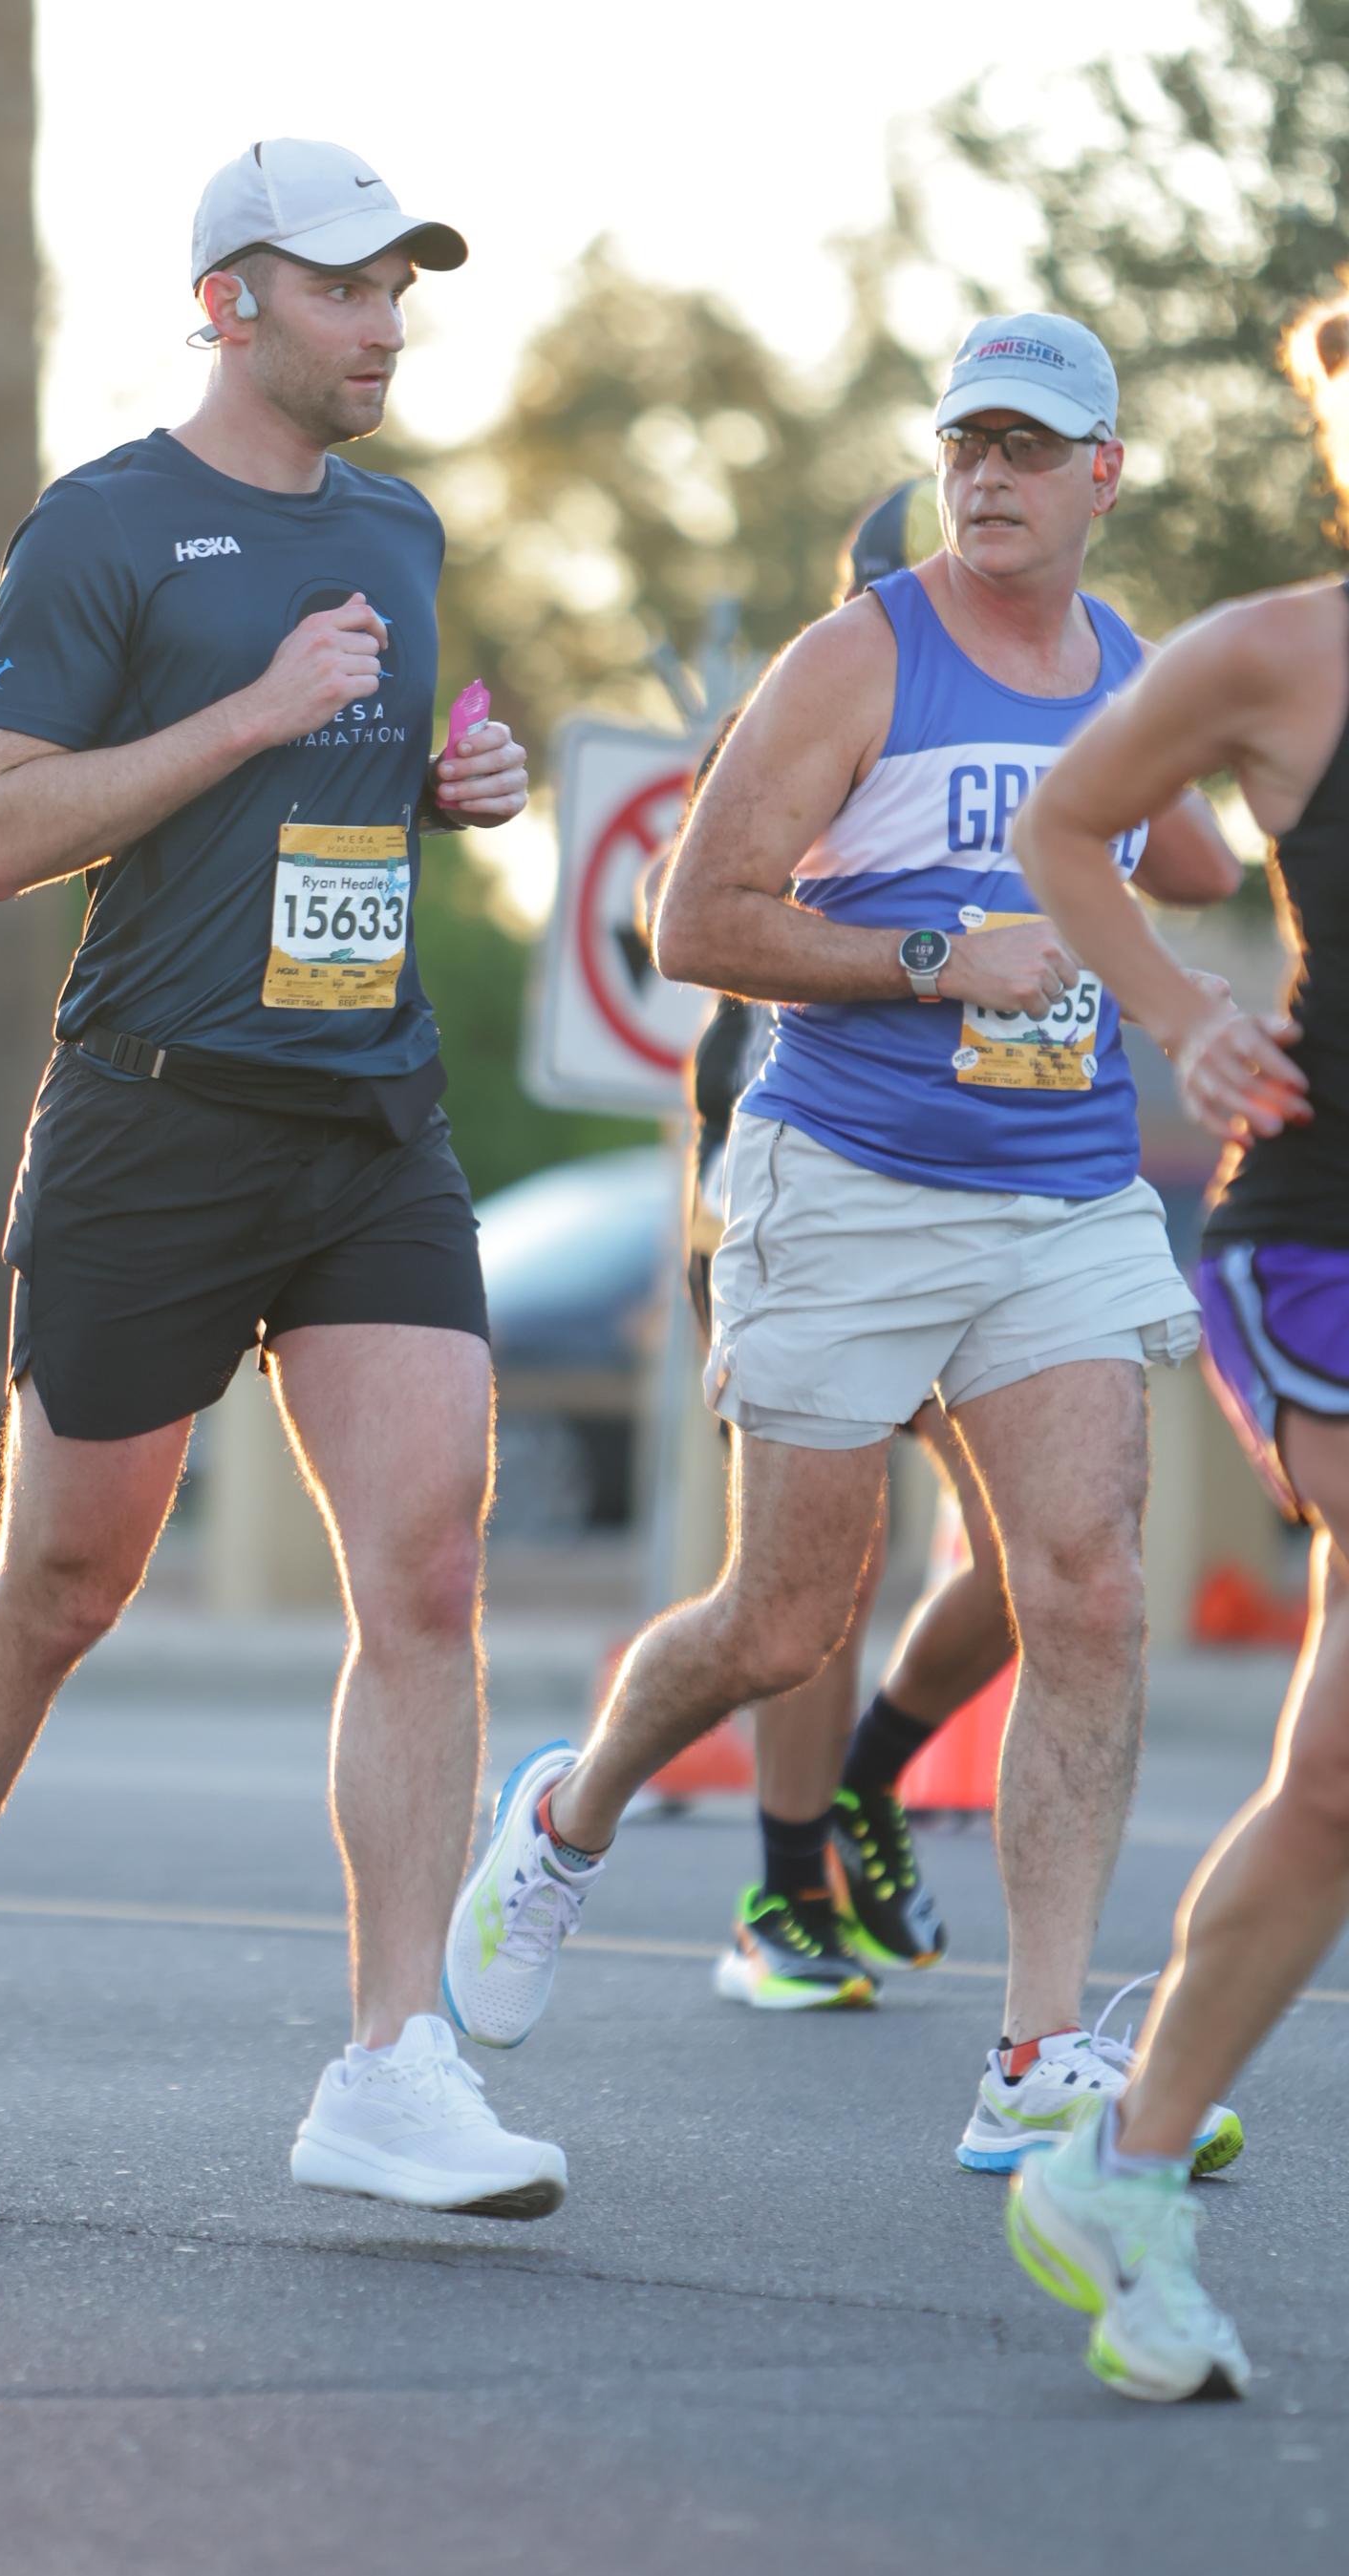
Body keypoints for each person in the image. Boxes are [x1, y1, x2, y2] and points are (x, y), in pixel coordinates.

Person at [0, 138, 566, 2224]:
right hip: (155, 1118)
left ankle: (390, 2066)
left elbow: (339, 788)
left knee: (426, 1575)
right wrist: (248, 715)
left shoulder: (400, 527)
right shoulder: (104, 526)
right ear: (231, 301)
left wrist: (447, 789)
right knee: (64, 1582)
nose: (383, 326)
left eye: (398, 289)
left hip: (370, 1114)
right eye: (343, 289)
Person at [443, 312, 1246, 2185]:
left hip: (1059, 1195)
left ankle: (1036, 2056)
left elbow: (1191, 855)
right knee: (783, 1620)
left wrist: (1190, 865)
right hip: (851, 1178)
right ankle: (565, 1817)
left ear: (1103, 475)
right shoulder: (857, 657)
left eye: (1027, 448)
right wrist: (935, 953)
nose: (987, 475)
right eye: (965, 442)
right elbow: (690, 921)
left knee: (1090, 1589)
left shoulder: (1130, 671)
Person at [1001, 287, 1349, 2402]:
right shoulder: (1275, 656)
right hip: (1322, 1244)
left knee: (1332, 1784)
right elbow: (1064, 824)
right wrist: (1179, 1014)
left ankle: (1120, 2173)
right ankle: (1117, 2162)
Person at [653, 483, 1017, 2012]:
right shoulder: (813, 708)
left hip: (989, 1193)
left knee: (1047, 1551)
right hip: (797, 1187)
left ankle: (873, 1776)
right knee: (818, 1575)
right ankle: (787, 1892)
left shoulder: (1055, 711)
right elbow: (690, 917)